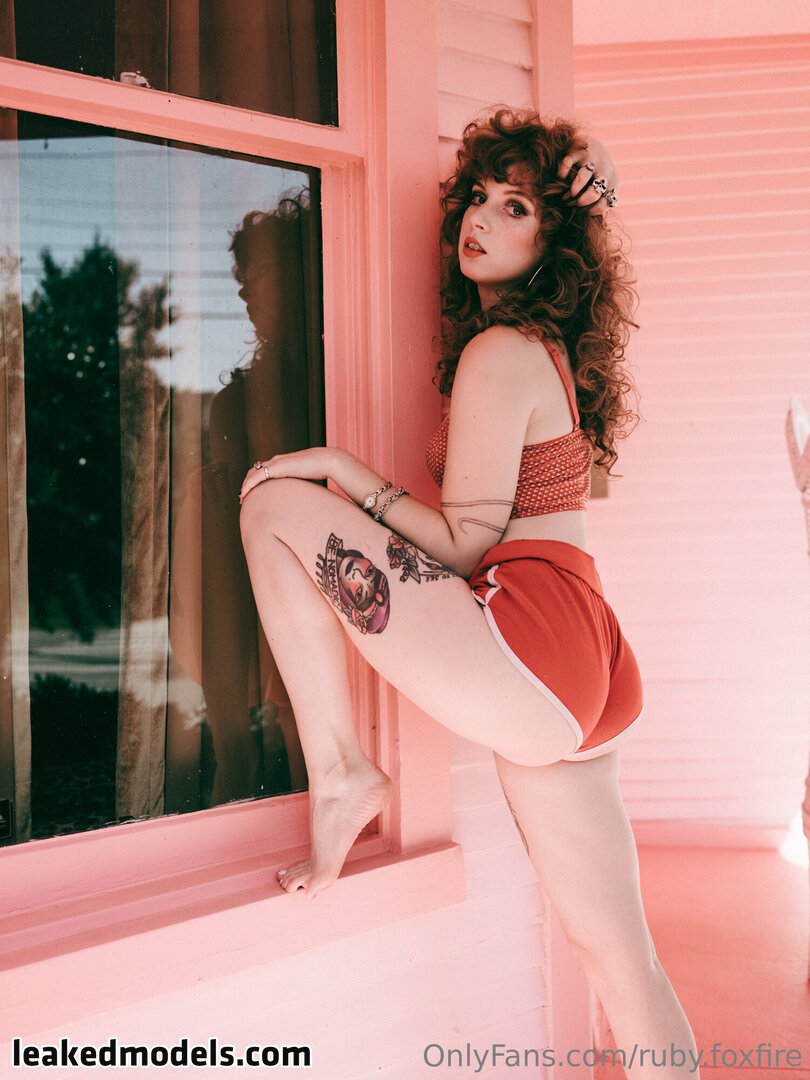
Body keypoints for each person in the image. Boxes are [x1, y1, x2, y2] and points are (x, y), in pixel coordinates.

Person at [239, 110, 698, 1077]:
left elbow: (464, 544)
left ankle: (341, 773)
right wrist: (592, 168)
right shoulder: (546, 352)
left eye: (516, 205)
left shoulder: (500, 352)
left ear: (553, 241)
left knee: (274, 503)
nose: (481, 218)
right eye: (478, 198)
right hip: (592, 659)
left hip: (531, 638)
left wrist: (340, 468)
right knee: (624, 962)